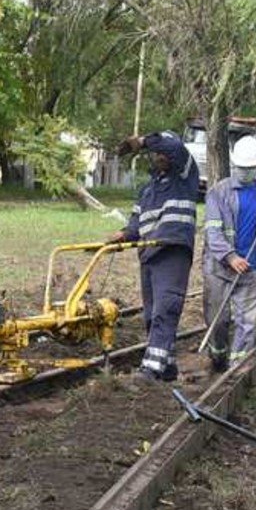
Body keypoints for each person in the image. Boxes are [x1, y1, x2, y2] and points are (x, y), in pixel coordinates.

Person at [110, 129, 200, 381]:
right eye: (156, 152)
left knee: (166, 308)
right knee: (151, 313)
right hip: (149, 254)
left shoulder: (184, 174)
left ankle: (150, 369)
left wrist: (141, 142)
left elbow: (174, 147)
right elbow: (137, 222)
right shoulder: (147, 190)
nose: (160, 155)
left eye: (162, 151)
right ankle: (167, 365)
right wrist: (124, 234)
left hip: (172, 249)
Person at [202, 136, 256, 372]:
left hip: (252, 268)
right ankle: (218, 356)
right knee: (219, 320)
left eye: (250, 168)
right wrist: (230, 256)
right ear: (235, 164)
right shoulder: (218, 192)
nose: (245, 172)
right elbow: (213, 234)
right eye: (241, 168)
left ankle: (239, 366)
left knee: (247, 322)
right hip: (220, 269)